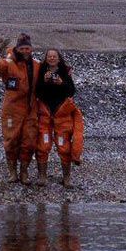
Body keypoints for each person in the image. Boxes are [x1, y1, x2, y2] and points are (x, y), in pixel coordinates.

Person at [0, 33, 41, 185]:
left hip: (30, 110)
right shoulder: (8, 63)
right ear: (18, 48)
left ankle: (24, 172)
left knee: (29, 142)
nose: (25, 51)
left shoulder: (37, 65)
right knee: (11, 141)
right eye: (22, 48)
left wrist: (64, 73)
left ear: (31, 49)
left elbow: (48, 76)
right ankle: (12, 172)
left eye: (28, 48)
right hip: (11, 110)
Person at [35, 49, 84, 188]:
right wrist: (45, 81)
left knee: (63, 146)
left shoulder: (64, 71)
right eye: (49, 56)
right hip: (44, 113)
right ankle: (42, 176)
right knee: (43, 145)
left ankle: (66, 178)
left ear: (58, 58)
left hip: (61, 114)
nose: (51, 58)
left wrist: (61, 82)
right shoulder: (41, 71)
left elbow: (71, 91)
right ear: (46, 58)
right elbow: (37, 91)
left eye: (54, 56)